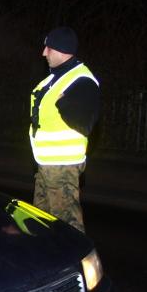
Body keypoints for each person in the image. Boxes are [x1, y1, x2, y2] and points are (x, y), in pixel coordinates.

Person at [29, 26, 100, 233]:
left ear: (60, 50)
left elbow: (86, 122)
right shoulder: (54, 78)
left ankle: (77, 264)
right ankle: (45, 260)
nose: (44, 53)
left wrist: (66, 104)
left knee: (68, 228)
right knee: (42, 222)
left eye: (48, 48)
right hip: (46, 164)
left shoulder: (81, 80)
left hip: (63, 166)